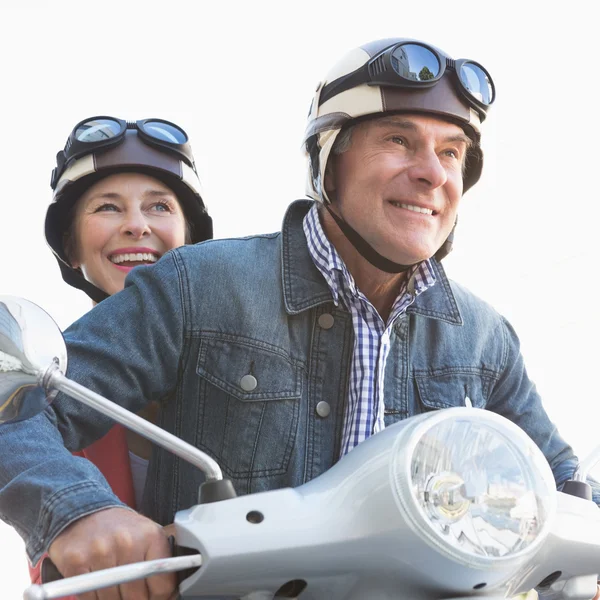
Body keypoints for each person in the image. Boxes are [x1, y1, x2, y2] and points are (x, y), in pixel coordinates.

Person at [0, 39, 595, 600]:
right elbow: (18, 410)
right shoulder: (197, 285)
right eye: (398, 140)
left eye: (450, 153)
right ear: (328, 160)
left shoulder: (486, 339)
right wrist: (79, 509)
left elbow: (568, 489)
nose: (433, 174)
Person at [29, 116, 213, 595]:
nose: (136, 225)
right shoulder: (41, 382)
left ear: (191, 240)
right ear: (71, 247)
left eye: (159, 207)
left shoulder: (251, 350)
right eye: (108, 208)